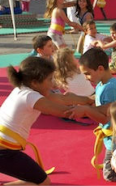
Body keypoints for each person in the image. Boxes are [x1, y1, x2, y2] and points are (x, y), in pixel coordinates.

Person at [0, 56, 93, 185]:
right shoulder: (31, 96)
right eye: (49, 79)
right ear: (34, 82)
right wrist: (94, 109)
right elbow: (64, 111)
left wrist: (89, 100)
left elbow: (61, 99)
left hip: (4, 148)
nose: (53, 83)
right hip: (4, 152)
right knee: (42, 182)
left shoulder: (23, 89)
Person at [74, 48, 116, 182]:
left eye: (88, 74)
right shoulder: (102, 84)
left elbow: (105, 117)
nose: (86, 78)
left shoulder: (110, 88)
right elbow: (95, 100)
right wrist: (75, 99)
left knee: (109, 175)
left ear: (100, 69)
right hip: (111, 136)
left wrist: (86, 110)